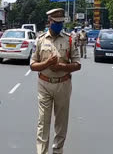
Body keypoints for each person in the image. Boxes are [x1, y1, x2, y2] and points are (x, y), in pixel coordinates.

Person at [30, 8, 81, 154]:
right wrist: (46, 64)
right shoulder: (40, 40)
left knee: (61, 122)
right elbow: (33, 65)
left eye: (61, 22)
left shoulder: (69, 39)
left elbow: (78, 65)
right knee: (43, 122)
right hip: (44, 84)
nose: (59, 25)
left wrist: (61, 66)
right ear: (49, 22)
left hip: (63, 84)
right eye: (56, 22)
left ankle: (58, 150)